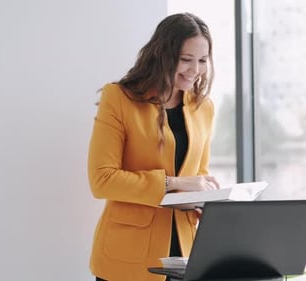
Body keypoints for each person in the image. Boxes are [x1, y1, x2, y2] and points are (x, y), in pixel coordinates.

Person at [87, 13, 220, 281]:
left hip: (184, 255)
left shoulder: (203, 107)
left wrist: (209, 202)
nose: (195, 70)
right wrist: (172, 184)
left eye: (202, 60)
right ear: (163, 56)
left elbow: (197, 175)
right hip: (128, 257)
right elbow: (102, 180)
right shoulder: (119, 99)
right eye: (185, 60)